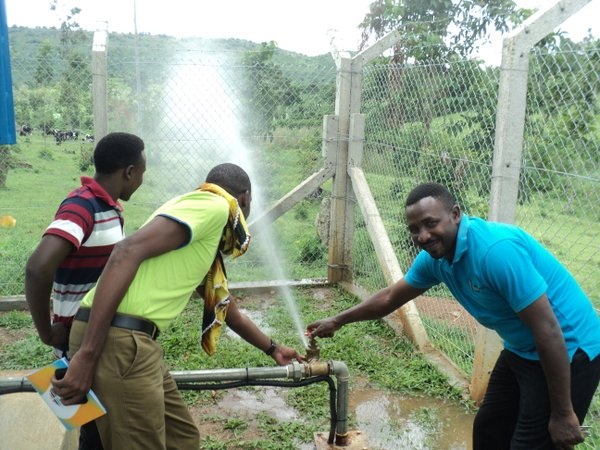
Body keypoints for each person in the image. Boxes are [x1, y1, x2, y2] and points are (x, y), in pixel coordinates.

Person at [307, 182, 600, 450]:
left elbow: (549, 330)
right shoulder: (436, 258)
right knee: (489, 429)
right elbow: (390, 297)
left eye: (430, 223)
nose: (422, 236)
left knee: (533, 443)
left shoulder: (494, 252)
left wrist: (563, 413)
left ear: (456, 214)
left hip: (570, 349)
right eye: (414, 229)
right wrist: (337, 320)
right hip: (522, 347)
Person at [52, 162, 303, 450]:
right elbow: (125, 251)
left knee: (181, 438)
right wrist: (87, 354)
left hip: (128, 341)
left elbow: (225, 306)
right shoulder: (215, 205)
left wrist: (273, 348)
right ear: (245, 198)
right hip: (118, 340)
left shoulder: (201, 232)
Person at [25, 131, 146, 450]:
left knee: (94, 432)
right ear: (129, 172)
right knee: (94, 437)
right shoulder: (83, 205)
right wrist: (46, 333)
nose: (142, 180)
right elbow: (38, 267)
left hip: (95, 340)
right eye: (143, 173)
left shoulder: (109, 208)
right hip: (78, 347)